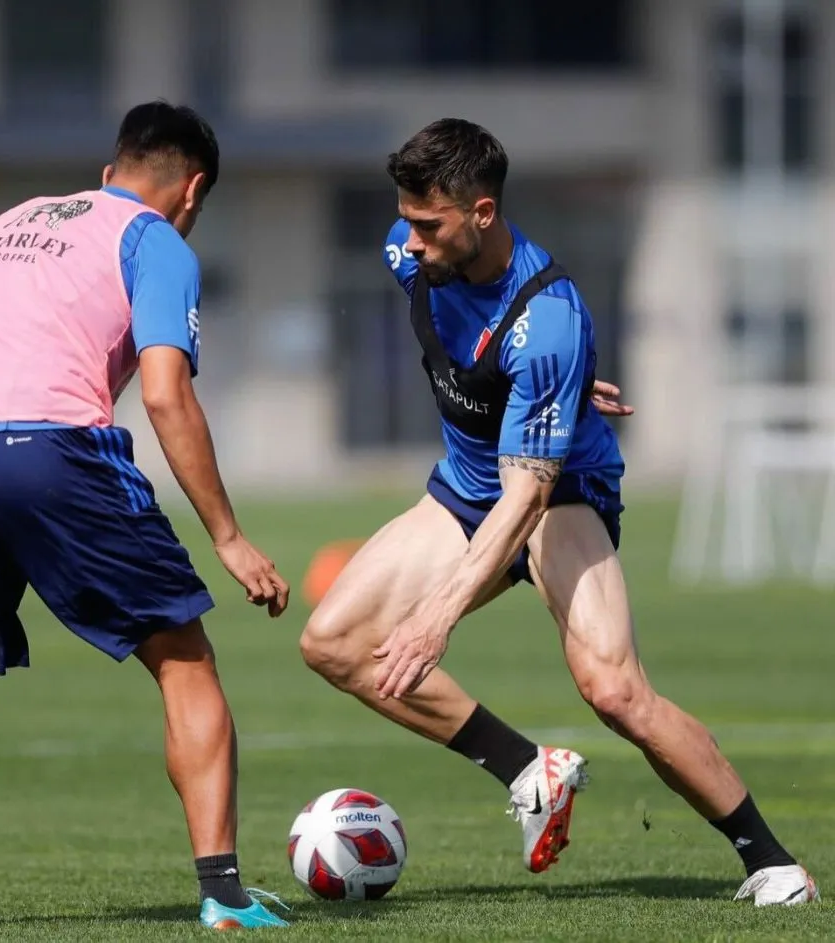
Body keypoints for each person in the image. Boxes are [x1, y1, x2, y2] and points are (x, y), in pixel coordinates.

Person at [299, 118, 819, 907]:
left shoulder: (549, 320)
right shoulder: (408, 253)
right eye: (405, 219)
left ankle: (772, 862)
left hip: (558, 493)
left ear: (482, 213)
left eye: (429, 224)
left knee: (614, 691)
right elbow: (485, 372)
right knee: (335, 643)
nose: (412, 240)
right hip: (467, 488)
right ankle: (528, 770)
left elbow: (528, 495)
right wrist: (555, 390)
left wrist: (438, 615)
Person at [0, 101, 291, 934]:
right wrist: (227, 533)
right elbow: (162, 392)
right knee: (185, 662)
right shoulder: (156, 240)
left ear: (110, 170)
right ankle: (223, 893)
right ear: (192, 190)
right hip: (49, 449)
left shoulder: (6, 223)